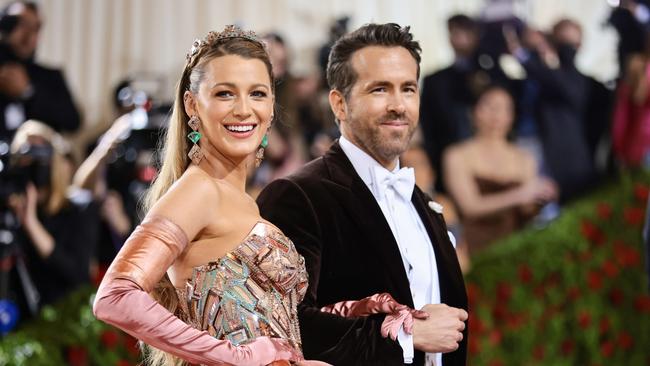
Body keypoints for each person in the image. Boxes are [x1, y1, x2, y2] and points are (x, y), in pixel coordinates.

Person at [92, 26, 411, 366]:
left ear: (272, 105)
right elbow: (115, 296)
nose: (244, 110)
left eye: (257, 94)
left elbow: (270, 320)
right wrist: (238, 357)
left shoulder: (242, 199)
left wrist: (364, 308)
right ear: (191, 104)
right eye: (225, 94)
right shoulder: (198, 189)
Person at [258, 23, 469, 365]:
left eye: (408, 89)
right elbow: (281, 325)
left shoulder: (426, 206)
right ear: (339, 104)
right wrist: (404, 335)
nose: (398, 105)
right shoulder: (296, 197)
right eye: (380, 90)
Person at [443, 85, 557, 254]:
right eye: (490, 106)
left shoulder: (524, 158)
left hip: (517, 247)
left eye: (505, 108)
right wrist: (521, 194)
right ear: (474, 111)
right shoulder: (457, 155)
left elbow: (526, 210)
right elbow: (470, 206)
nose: (496, 114)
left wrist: (540, 198)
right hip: (476, 248)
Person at [7, 120, 96, 322]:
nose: (32, 172)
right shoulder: (10, 211)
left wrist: (31, 224)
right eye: (25, 162)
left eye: (39, 162)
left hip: (65, 321)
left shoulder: (80, 208)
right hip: (19, 320)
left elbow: (78, 274)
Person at [0, 1, 80, 143]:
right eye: (22, 24)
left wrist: (28, 92)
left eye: (36, 28)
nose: (28, 34)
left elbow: (73, 121)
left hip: (39, 160)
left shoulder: (50, 77)